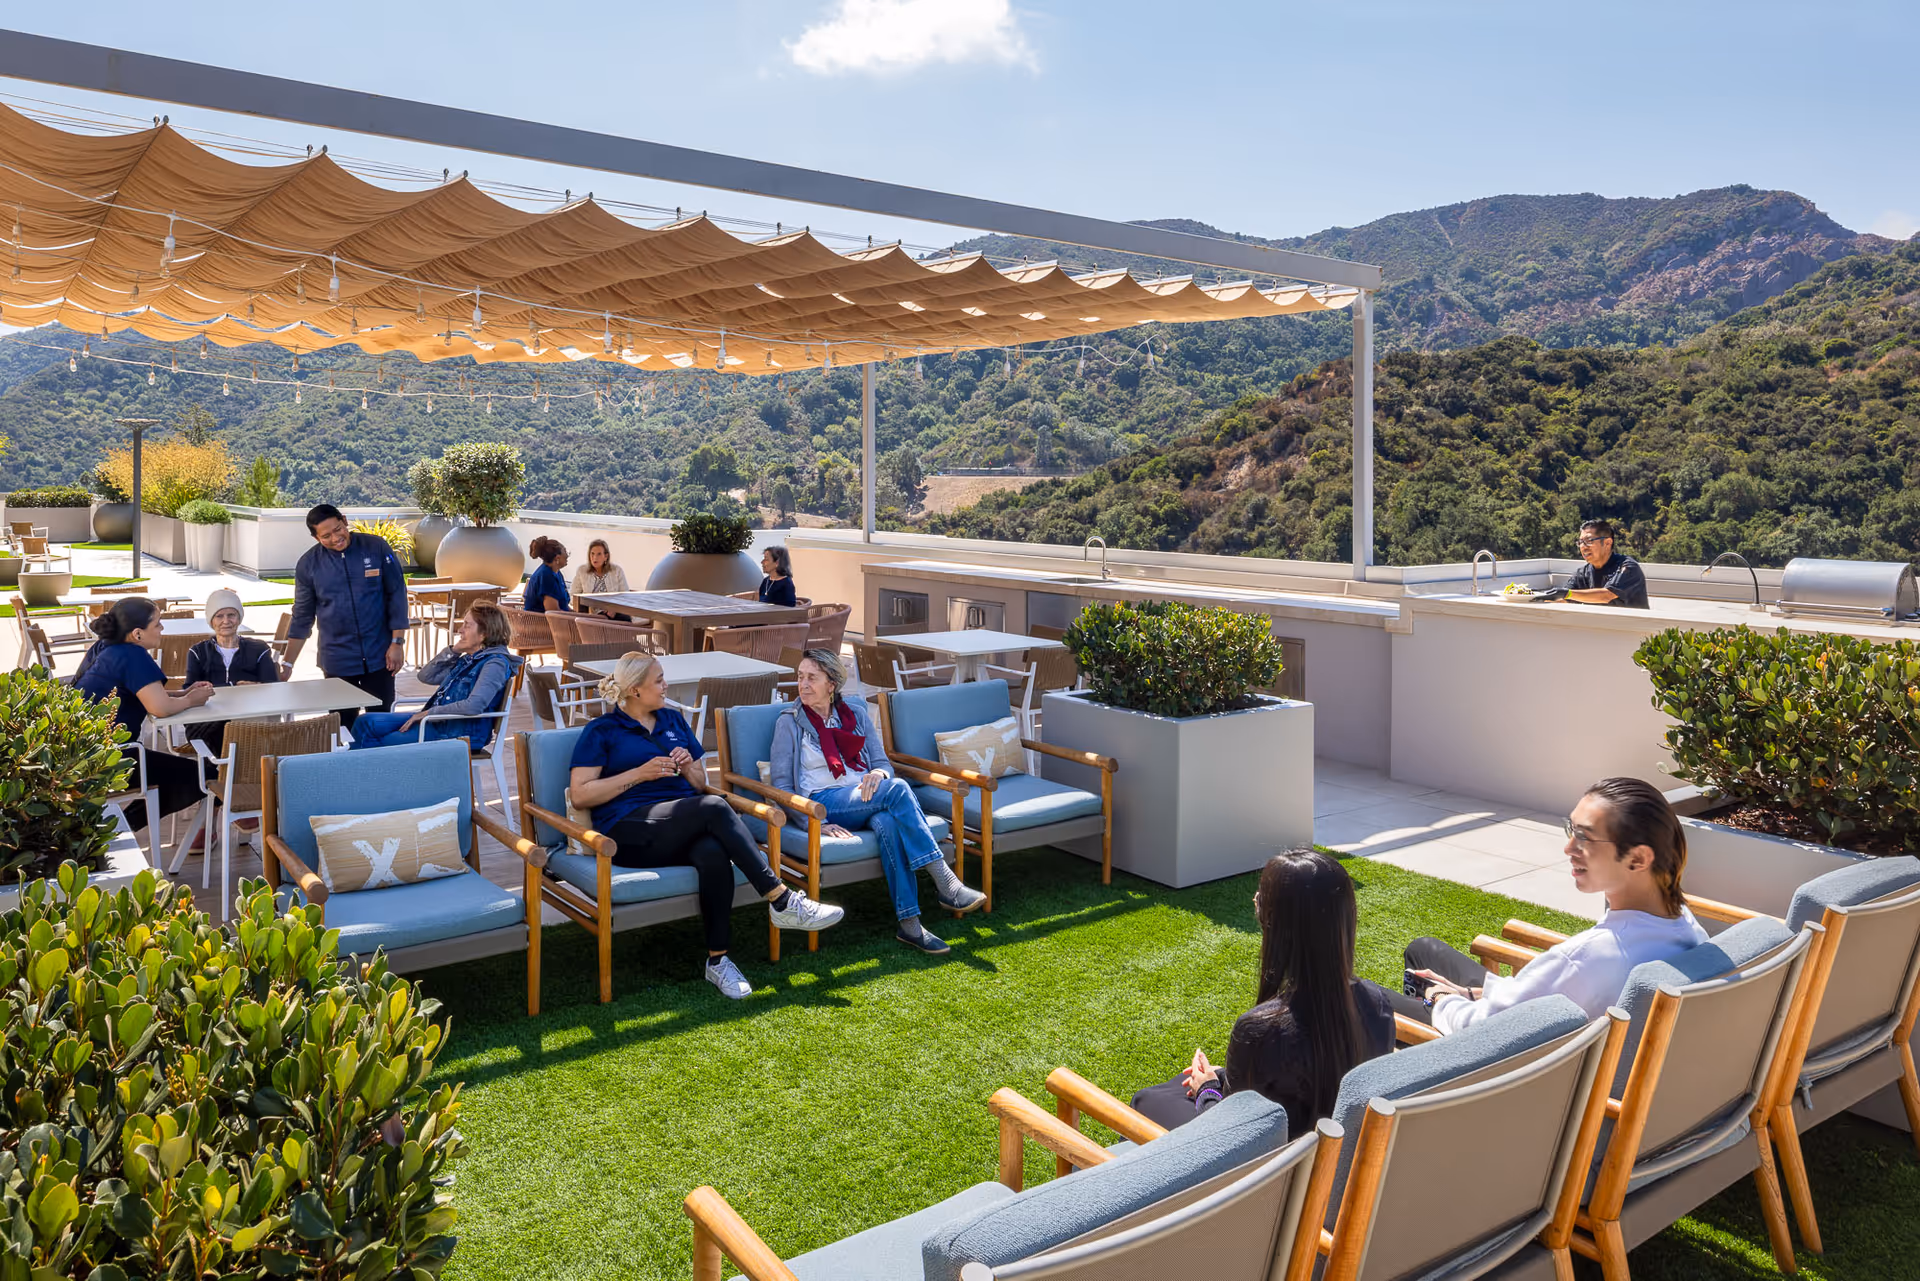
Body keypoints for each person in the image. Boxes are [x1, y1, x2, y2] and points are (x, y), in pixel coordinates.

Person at [568, 652, 846, 999]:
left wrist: (687, 767)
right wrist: (638, 774)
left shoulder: (673, 720)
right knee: (716, 807)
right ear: (636, 690)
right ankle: (781, 899)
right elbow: (580, 795)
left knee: (713, 851)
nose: (665, 685)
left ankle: (718, 962)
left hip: (680, 820)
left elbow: (700, 783)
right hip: (629, 829)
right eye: (658, 680)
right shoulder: (601, 730)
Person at [1391, 777, 1708, 1033]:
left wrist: (1441, 998)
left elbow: (1481, 1031)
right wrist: (1475, 993)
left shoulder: (1585, 959)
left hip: (1489, 1070)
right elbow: (1540, 997)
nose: (1569, 847)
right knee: (1425, 950)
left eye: (1584, 837)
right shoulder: (1687, 927)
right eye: (1571, 830)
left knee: (1355, 994)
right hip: (1547, 1032)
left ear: (1638, 858)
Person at [1129, 850, 1394, 1133]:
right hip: (1331, 1163)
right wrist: (1221, 1077)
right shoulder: (1378, 1004)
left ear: (1278, 925)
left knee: (1146, 1100)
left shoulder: (1260, 1030)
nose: (1255, 901)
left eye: (1260, 900)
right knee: (1172, 1089)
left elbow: (1233, 1138)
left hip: (1264, 1169)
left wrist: (1208, 1089)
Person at [770, 649, 986, 955]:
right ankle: (946, 882)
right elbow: (780, 785)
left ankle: (910, 925)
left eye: (811, 678)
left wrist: (877, 774)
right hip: (824, 801)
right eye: (800, 677)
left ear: (832, 684)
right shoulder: (789, 723)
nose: (802, 684)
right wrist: (813, 820)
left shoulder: (856, 715)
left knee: (888, 819)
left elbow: (883, 763)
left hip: (866, 797)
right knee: (897, 790)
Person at [73, 596, 217, 834]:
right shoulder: (133, 655)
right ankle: (113, 832)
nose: (162, 629)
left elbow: (136, 690)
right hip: (111, 759)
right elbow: (160, 708)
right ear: (137, 634)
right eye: (158, 624)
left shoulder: (104, 647)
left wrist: (183, 692)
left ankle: (109, 829)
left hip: (82, 754)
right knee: (204, 775)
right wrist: (191, 700)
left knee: (178, 775)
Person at [282, 504, 409, 727]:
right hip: (337, 660)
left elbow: (397, 595)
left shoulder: (376, 547)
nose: (336, 538)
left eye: (338, 529)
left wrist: (397, 642)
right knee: (341, 726)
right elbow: (302, 616)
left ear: (344, 520)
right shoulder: (308, 565)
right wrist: (288, 664)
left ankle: (382, 762)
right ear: (315, 537)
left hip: (380, 656)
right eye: (326, 536)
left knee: (382, 723)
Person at [350, 600, 522, 752]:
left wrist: (427, 713)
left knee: (382, 743)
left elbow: (474, 706)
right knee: (365, 722)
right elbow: (426, 676)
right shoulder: (469, 658)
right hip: (439, 722)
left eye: (467, 625)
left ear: (485, 633)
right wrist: (453, 651)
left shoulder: (495, 664)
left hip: (458, 733)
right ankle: (362, 778)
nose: (460, 630)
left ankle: (367, 781)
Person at [182, 588, 285, 753]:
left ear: (239, 619)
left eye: (231, 615)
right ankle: (224, 771)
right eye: (219, 616)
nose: (226, 621)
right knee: (225, 731)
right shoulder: (198, 652)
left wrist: (256, 687)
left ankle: (236, 769)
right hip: (210, 718)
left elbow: (273, 686)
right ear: (211, 621)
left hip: (249, 714)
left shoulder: (259, 649)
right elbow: (189, 688)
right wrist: (232, 686)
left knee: (252, 726)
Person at [1565, 519, 1649, 609]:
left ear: (1607, 543)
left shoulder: (1628, 567)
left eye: (1589, 541)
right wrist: (1551, 597)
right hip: (1599, 622)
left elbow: (1606, 596)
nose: (1583, 547)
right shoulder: (1582, 573)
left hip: (1632, 622)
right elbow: (1564, 598)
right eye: (1581, 542)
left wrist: (1567, 594)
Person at [571, 538, 629, 614]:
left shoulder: (616, 570)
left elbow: (625, 596)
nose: (595, 558)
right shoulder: (582, 571)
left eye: (599, 554)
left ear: (606, 556)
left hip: (613, 612)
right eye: (592, 554)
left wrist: (613, 609)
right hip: (590, 614)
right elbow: (573, 596)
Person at [524, 536, 572, 614]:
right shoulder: (546, 576)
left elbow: (564, 606)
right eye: (565, 551)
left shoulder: (556, 573)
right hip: (541, 624)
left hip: (559, 620)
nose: (567, 556)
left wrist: (578, 615)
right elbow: (553, 613)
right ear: (557, 558)